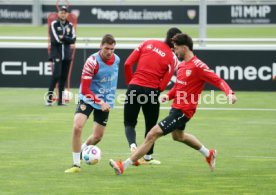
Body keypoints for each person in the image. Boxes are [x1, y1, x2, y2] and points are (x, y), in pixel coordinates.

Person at [109, 33, 237, 175]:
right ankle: (209, 153)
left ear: (184, 48)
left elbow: (217, 80)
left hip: (183, 111)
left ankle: (123, 166)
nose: (174, 51)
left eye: (176, 48)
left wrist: (229, 93)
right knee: (178, 136)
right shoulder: (182, 66)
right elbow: (178, 87)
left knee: (152, 134)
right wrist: (167, 96)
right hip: (175, 108)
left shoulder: (198, 66)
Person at [123, 27, 182, 165]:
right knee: (151, 127)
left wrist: (130, 83)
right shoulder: (173, 58)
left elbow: (127, 64)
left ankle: (133, 146)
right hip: (151, 92)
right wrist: (156, 91)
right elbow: (164, 83)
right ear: (174, 42)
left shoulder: (147, 43)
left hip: (134, 87)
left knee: (129, 123)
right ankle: (148, 157)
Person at [65, 34, 120, 173]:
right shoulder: (92, 61)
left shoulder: (117, 60)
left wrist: (107, 100)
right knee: (77, 126)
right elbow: (85, 88)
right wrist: (99, 101)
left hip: (105, 101)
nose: (109, 52)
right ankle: (76, 164)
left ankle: (83, 150)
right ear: (101, 46)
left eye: (112, 49)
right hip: (88, 97)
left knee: (97, 136)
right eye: (107, 48)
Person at [46, 6, 76, 106]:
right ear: (58, 14)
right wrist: (66, 39)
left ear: (67, 14)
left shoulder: (70, 25)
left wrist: (63, 37)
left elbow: (73, 39)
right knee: (56, 76)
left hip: (67, 55)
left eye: (65, 12)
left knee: (63, 77)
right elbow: (56, 40)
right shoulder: (54, 24)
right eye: (61, 12)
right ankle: (49, 99)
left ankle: (60, 101)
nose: (63, 14)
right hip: (57, 54)